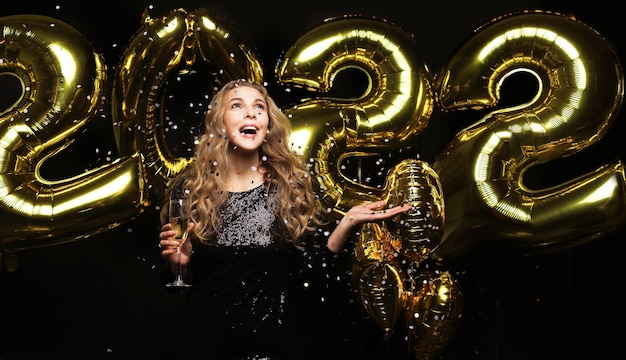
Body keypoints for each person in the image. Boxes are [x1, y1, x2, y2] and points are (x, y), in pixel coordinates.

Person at [158, 79, 411, 360]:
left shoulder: (288, 187)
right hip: (203, 343)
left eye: (259, 107)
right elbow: (176, 284)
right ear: (220, 122)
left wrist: (347, 222)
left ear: (267, 124)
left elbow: (310, 272)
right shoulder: (190, 189)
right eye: (237, 106)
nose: (250, 113)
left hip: (271, 347)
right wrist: (177, 266)